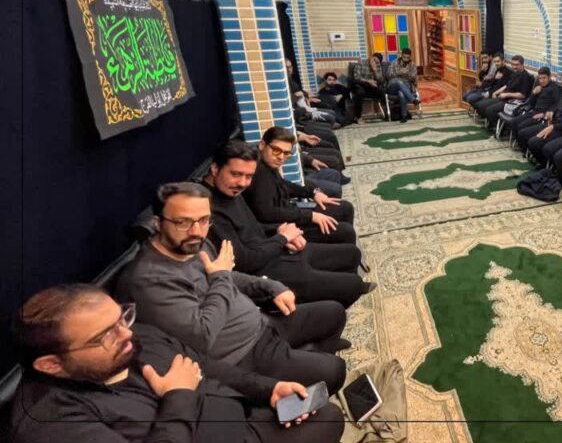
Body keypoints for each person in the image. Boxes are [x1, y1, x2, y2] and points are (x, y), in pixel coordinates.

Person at [10, 284, 345, 443]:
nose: (126, 334)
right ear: (51, 364)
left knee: (326, 413)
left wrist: (268, 389)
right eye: (104, 336)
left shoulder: (134, 336)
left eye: (122, 318)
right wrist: (178, 395)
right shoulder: (48, 422)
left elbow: (206, 365)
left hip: (235, 412)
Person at [118, 183, 351, 379]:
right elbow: (202, 336)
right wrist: (221, 277)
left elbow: (225, 275)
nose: (196, 231)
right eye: (182, 222)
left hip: (261, 322)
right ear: (158, 223)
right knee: (334, 370)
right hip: (242, 353)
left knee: (334, 312)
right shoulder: (149, 280)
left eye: (204, 220)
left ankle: (309, 357)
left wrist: (271, 287)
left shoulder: (193, 243)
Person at [202, 141, 372, 308]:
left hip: (275, 250)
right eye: (236, 174)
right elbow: (245, 262)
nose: (243, 183)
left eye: (249, 177)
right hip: (266, 272)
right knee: (352, 286)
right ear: (215, 168)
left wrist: (280, 231)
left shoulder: (230, 190)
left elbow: (254, 227)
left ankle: (329, 296)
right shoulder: (205, 209)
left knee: (351, 254)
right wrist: (281, 238)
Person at [246, 126, 357, 246]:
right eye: (276, 150)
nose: (281, 157)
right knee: (346, 231)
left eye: (286, 153)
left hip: (289, 212)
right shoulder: (256, 171)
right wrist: (311, 216)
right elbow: (267, 213)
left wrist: (313, 192)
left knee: (345, 208)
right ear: (262, 145)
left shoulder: (267, 164)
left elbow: (283, 185)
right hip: (280, 228)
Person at [517, 70, 562, 155]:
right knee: (523, 133)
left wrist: (553, 126)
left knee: (534, 142)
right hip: (551, 122)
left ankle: (542, 161)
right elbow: (557, 105)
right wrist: (550, 113)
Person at [474, 55, 535, 129]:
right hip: (503, 98)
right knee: (480, 105)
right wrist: (495, 93)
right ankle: (493, 125)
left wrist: (506, 94)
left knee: (489, 110)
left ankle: (501, 129)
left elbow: (522, 95)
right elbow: (506, 86)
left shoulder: (526, 77)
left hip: (512, 102)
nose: (514, 67)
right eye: (513, 64)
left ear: (522, 65)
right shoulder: (515, 74)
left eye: (517, 65)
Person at [503, 66, 562, 140]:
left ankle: (523, 145)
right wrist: (534, 93)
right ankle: (519, 142)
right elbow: (531, 103)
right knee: (513, 122)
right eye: (540, 78)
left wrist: (545, 113)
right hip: (533, 111)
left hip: (542, 116)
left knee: (521, 127)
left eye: (544, 78)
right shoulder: (539, 87)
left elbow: (557, 104)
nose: (542, 81)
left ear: (549, 77)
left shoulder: (554, 88)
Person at [350, 53, 386, 123]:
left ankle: (385, 114)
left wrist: (375, 70)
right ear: (371, 57)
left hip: (371, 87)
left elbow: (380, 80)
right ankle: (358, 117)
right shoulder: (361, 63)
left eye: (377, 62)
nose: (375, 63)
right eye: (374, 60)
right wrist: (368, 81)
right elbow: (357, 77)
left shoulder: (378, 65)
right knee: (359, 93)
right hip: (360, 85)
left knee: (382, 92)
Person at [387, 48, 419, 122]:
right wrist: (399, 73)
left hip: (406, 85)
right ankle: (413, 99)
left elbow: (414, 78)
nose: (406, 59)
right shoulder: (394, 63)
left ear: (410, 57)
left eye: (408, 57)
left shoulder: (412, 65)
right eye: (404, 57)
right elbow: (388, 75)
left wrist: (407, 74)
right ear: (401, 55)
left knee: (401, 93)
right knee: (399, 83)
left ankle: (404, 116)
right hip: (393, 85)